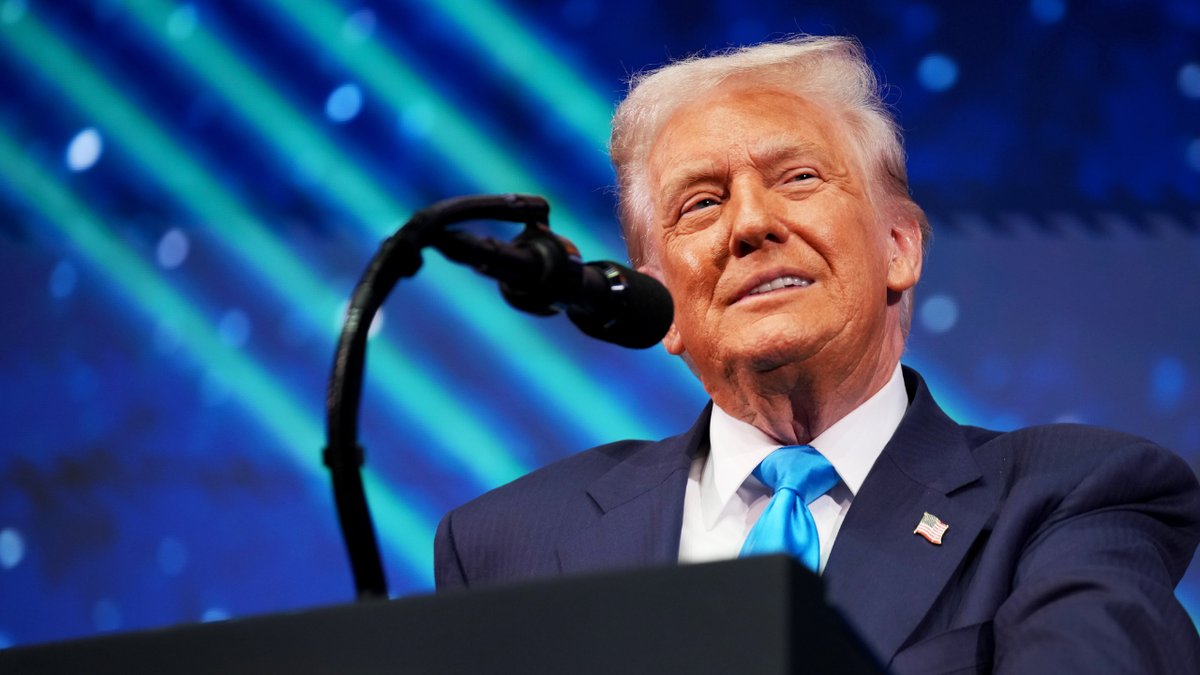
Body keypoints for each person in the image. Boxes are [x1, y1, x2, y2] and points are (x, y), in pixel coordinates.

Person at [434, 35, 1200, 673]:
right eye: (701, 202)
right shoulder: (507, 544)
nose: (750, 224)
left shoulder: (1066, 499)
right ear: (658, 301)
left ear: (899, 247)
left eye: (798, 178)